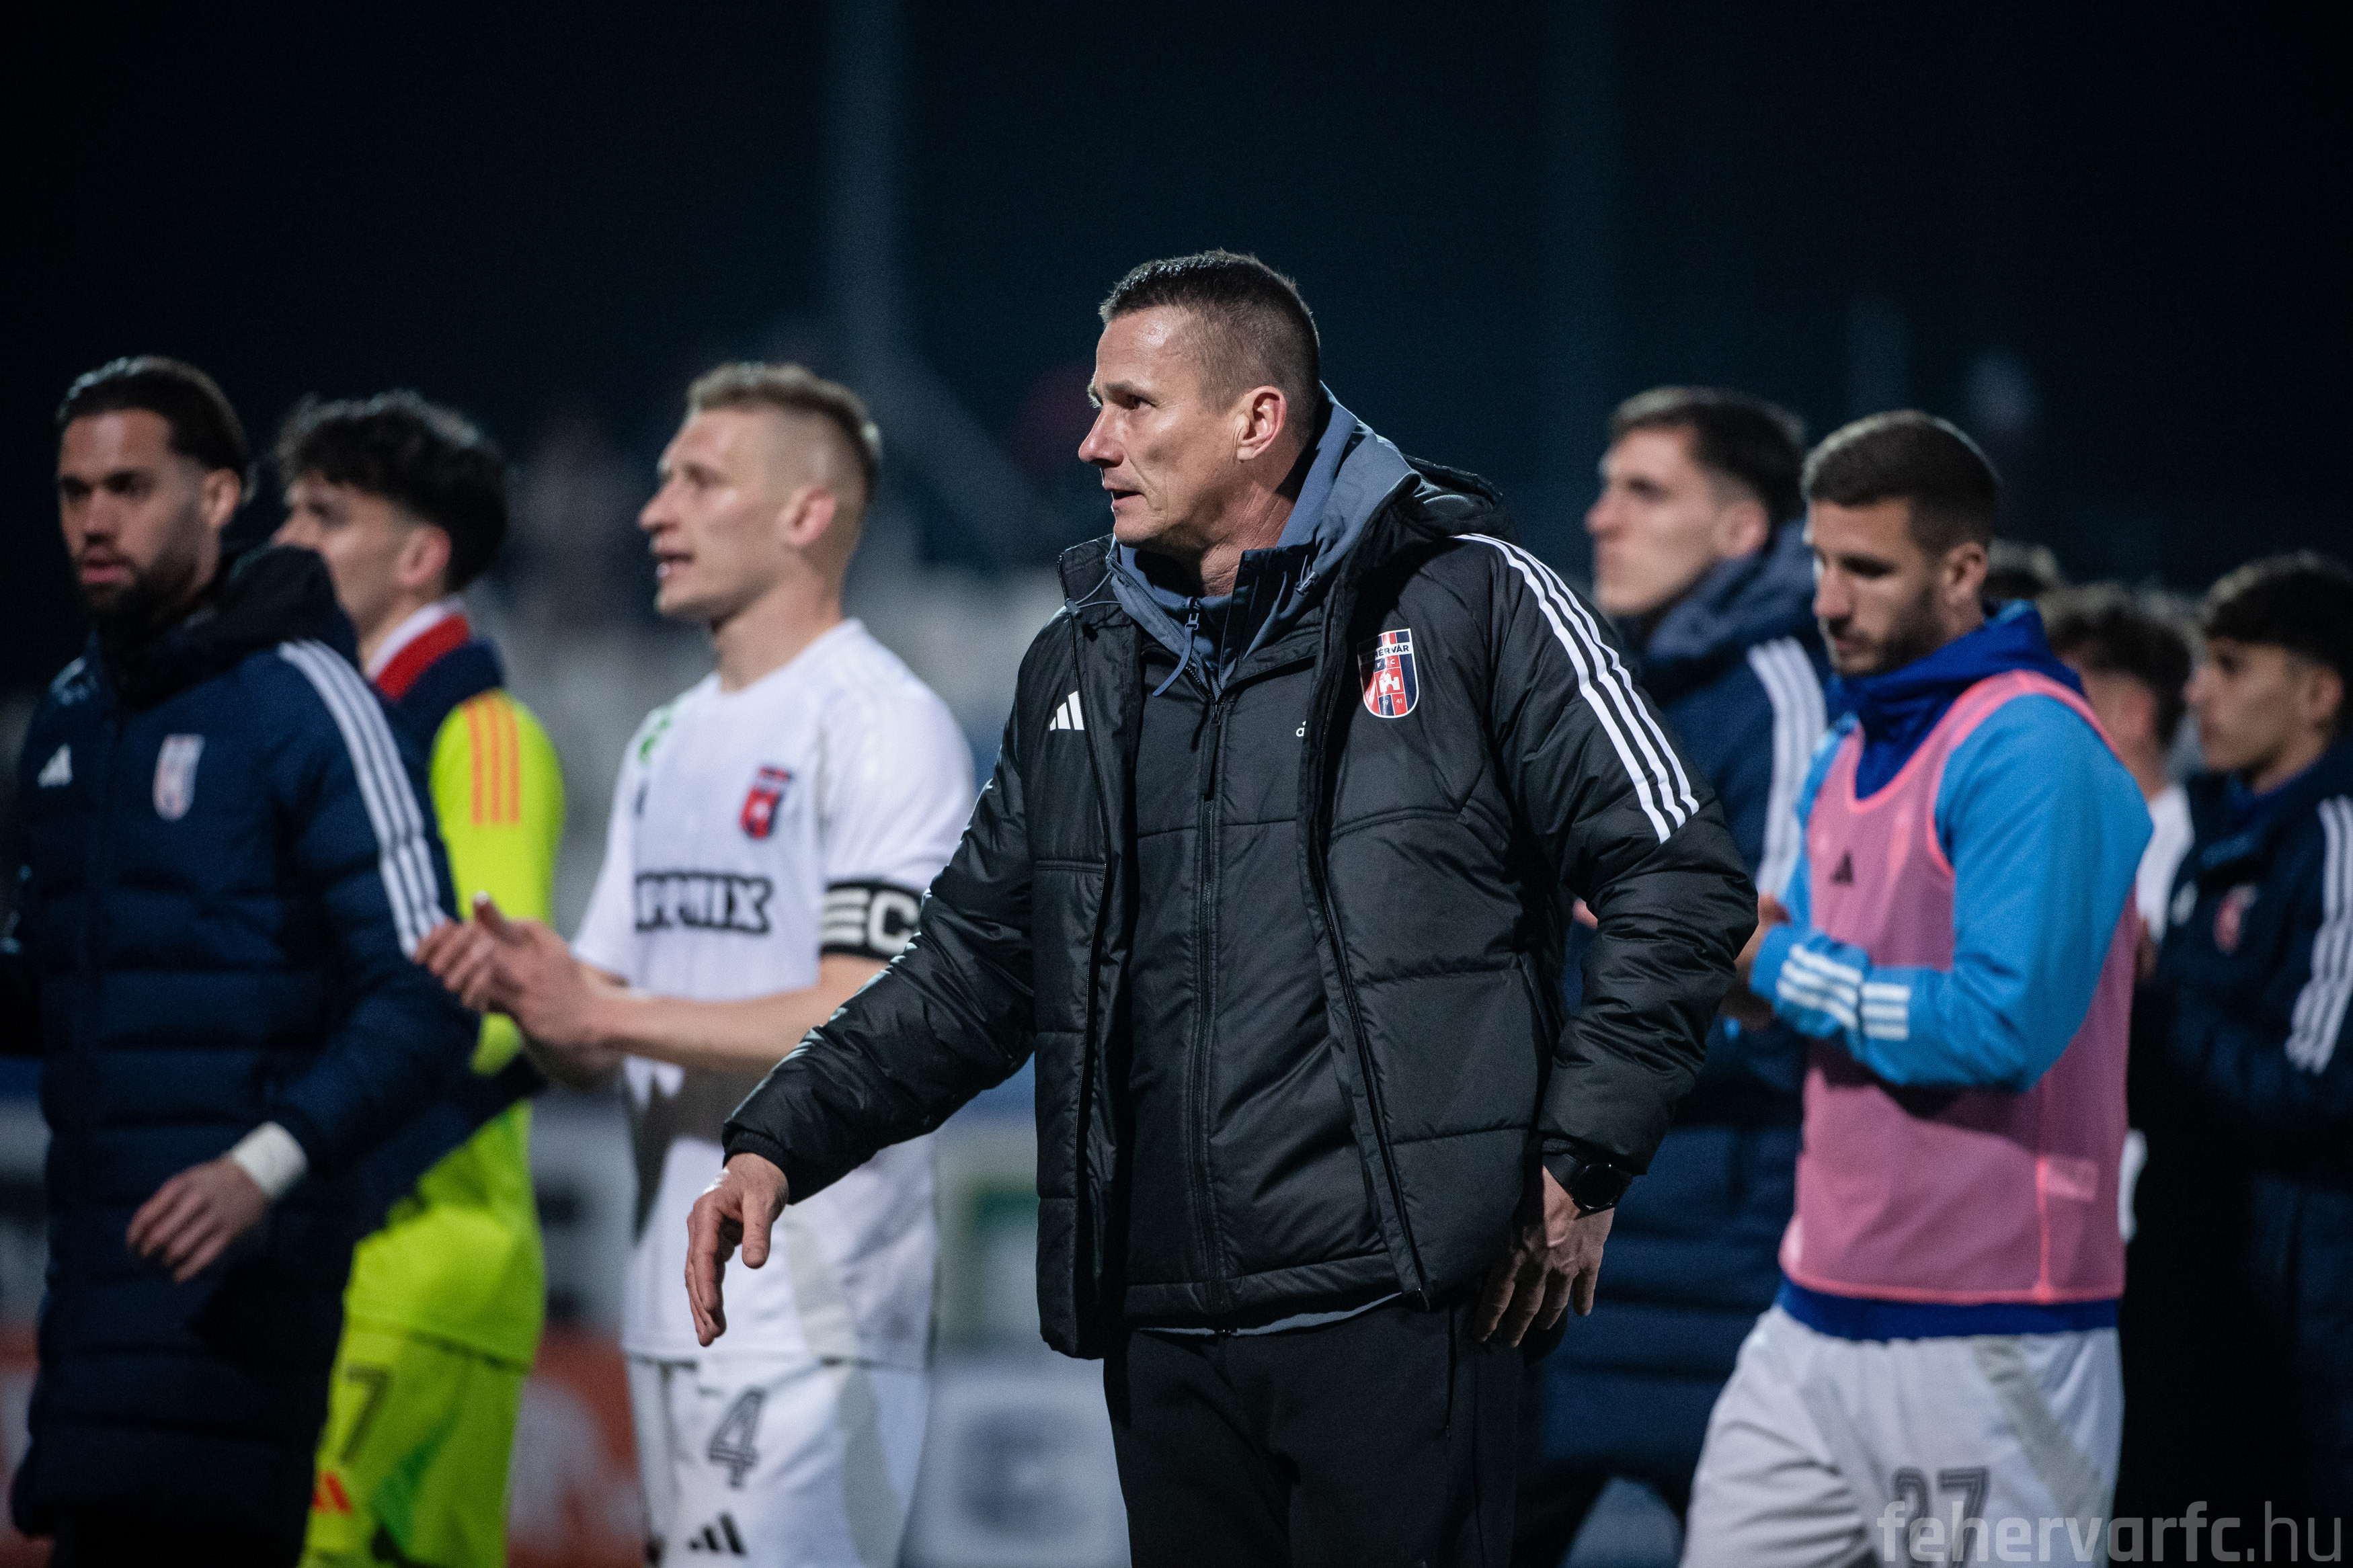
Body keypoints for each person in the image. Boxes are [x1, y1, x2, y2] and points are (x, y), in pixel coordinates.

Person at [686, 250, 1755, 1568]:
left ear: (1257, 420)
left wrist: (1582, 1156)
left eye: (1132, 405)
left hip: (1407, 1309)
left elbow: (1679, 874)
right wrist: (781, 1136)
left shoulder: (1473, 598)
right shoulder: (1077, 659)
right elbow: (974, 965)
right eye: (1098, 406)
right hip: (1168, 1327)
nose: (1092, 441)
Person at [417, 363, 971, 1566]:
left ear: (805, 513)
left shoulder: (881, 722)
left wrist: (605, 1016)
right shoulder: (667, 738)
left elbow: (870, 1009)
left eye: (698, 480)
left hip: (814, 1306)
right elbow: (594, 1032)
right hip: (671, 1304)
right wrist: (530, 989)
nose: (653, 510)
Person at [1, 358, 477, 1565]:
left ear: (218, 496)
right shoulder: (71, 715)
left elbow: (426, 997)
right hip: (93, 1317)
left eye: (128, 488)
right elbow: (55, 987)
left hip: (243, 1312)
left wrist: (259, 1169)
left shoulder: (307, 699)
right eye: (72, 492)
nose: (94, 519)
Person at [1685, 411, 2150, 1566]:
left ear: (1962, 570)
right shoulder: (1851, 743)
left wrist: (1769, 963)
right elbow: (1806, 985)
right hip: (1815, 1309)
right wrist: (1705, 955)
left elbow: (1999, 1028)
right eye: (1821, 563)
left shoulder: (2033, 745)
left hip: (1994, 1338)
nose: (1830, 601)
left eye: (1869, 569)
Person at [1517, 388, 1826, 1563]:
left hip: (1724, 1249)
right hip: (1579, 1233)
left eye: (1646, 492)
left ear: (1742, 529)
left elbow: (1776, 1000)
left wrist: (1590, 1079)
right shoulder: (1605, 685)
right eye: (1605, 488)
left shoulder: (1782, 694)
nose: (1602, 518)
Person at [269, 392, 564, 1568]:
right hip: (377, 1254)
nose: (288, 539)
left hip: (419, 1255)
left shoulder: (478, 732)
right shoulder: (350, 728)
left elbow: (494, 1002)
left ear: (420, 556)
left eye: (325, 514)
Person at [2120, 553, 2353, 1525]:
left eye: (2230, 664)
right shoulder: (2214, 837)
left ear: (2317, 694)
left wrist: (2155, 1001)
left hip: (2299, 1300)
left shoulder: (2336, 841)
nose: (2198, 692)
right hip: (2189, 1266)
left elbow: (2318, 1089)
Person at [2042, 584, 2196, 940]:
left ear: (2135, 713)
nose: (2043, 719)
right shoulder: (2059, 834)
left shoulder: (2193, 844)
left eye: (2066, 699)